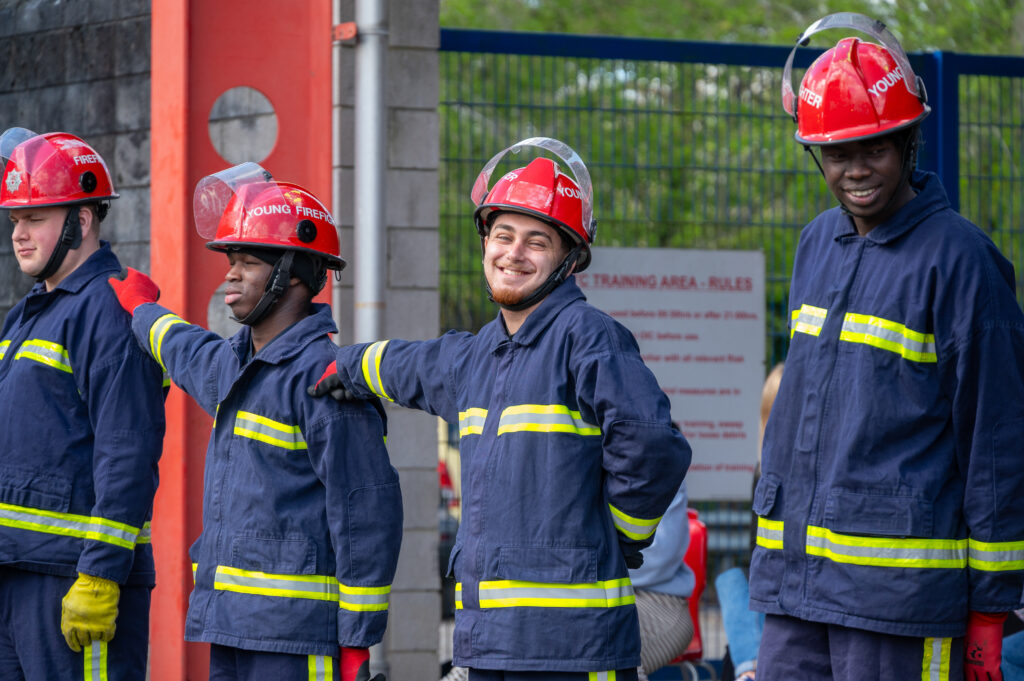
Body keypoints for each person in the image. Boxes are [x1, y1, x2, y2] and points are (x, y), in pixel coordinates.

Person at [311, 137, 691, 679]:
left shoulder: (589, 337)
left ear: (570, 258)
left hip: (573, 648)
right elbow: (403, 365)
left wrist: (625, 533)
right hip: (488, 641)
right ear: (485, 242)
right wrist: (340, 367)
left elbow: (652, 443)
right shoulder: (473, 357)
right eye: (503, 234)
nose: (513, 253)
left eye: (537, 241)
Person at [749, 13, 1024, 681]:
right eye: (837, 154)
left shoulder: (962, 261)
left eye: (875, 149)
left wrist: (992, 606)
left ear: (909, 141)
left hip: (902, 603)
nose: (856, 171)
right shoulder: (817, 243)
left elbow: (996, 440)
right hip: (798, 595)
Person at [107, 163, 401, 681]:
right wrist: (143, 311)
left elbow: (366, 518)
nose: (230, 274)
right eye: (230, 260)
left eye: (246, 261)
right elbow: (185, 348)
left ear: (292, 273)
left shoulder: (325, 380)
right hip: (232, 629)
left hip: (297, 640)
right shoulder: (236, 364)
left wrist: (357, 643)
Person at [0, 128, 166, 680]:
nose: (19, 236)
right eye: (15, 221)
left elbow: (127, 453)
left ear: (82, 220)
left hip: (74, 582)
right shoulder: (27, 314)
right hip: (15, 571)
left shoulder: (111, 312)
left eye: (36, 219)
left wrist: (99, 574)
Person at [716, 363, 783, 681]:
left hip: (782, 593)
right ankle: (748, 668)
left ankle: (748, 669)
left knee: (737, 588)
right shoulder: (762, 473)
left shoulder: (762, 470)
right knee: (732, 583)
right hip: (774, 590)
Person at [629, 478, 695, 680]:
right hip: (597, 598)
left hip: (658, 601)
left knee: (612, 655)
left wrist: (591, 565)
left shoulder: (658, 457)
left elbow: (660, 557)